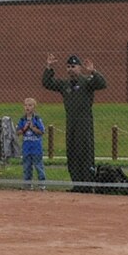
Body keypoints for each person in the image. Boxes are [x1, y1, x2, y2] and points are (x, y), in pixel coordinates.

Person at [42, 53, 107, 193]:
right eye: (68, 67)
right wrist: (48, 67)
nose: (71, 69)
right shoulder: (64, 84)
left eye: (73, 66)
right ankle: (77, 185)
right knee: (72, 152)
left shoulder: (87, 82)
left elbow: (102, 84)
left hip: (84, 123)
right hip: (71, 123)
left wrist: (93, 71)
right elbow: (47, 83)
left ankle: (88, 185)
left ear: (79, 68)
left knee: (85, 152)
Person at [16, 97, 47, 190]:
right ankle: (28, 184)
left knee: (38, 166)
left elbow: (42, 131)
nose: (27, 107)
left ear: (34, 107)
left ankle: (42, 184)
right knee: (27, 167)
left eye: (30, 105)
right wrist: (24, 128)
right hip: (26, 148)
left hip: (36, 148)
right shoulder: (22, 119)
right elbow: (18, 132)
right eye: (26, 105)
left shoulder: (37, 119)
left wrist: (33, 128)